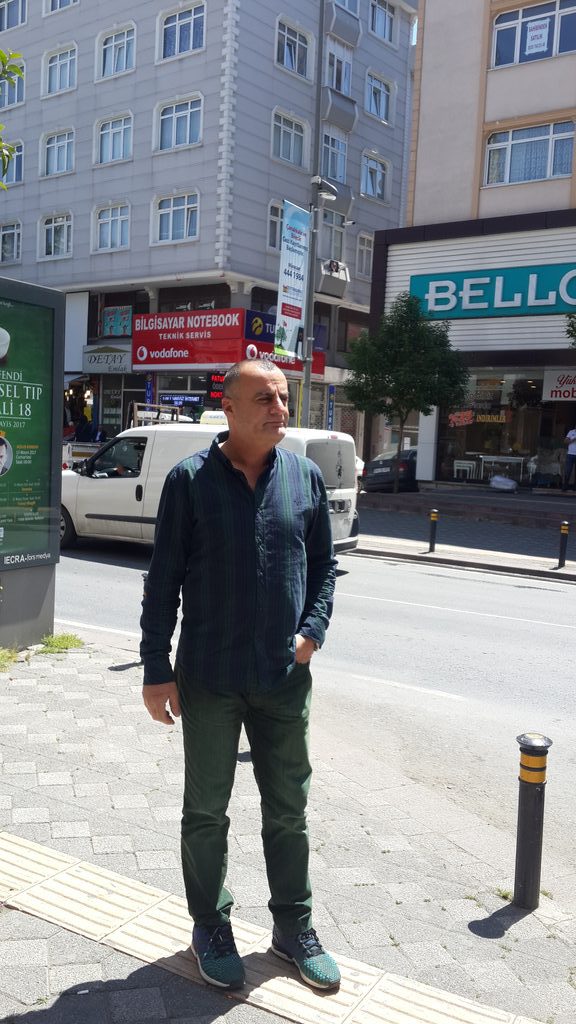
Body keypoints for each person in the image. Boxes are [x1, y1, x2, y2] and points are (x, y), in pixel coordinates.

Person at [140, 359, 340, 993]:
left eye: (283, 397)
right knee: (206, 810)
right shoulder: (189, 481)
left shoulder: (304, 477)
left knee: (289, 809)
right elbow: (163, 580)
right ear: (227, 408)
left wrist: (313, 631)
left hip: (284, 676)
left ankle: (294, 927)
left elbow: (324, 566)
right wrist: (155, 668)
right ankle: (211, 924)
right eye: (264, 399)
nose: (279, 409)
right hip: (209, 676)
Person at [562, 425, 576, 491]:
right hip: (570, 454)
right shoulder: (571, 432)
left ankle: (575, 487)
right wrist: (573, 439)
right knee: (568, 470)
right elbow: (565, 441)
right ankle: (565, 486)